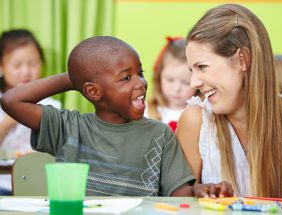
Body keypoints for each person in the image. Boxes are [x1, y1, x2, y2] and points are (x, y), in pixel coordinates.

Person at [1, 36, 206, 196]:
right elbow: (12, 101)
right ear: (93, 91)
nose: (140, 83)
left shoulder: (160, 135)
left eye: (140, 73)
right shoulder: (68, 127)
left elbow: (180, 193)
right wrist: (75, 78)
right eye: (126, 77)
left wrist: (199, 190)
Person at [177, 4, 282, 198]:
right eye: (192, 70)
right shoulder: (196, 121)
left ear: (242, 59)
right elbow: (180, 201)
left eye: (202, 67)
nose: (194, 82)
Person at [0, 29, 61, 195]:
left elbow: (62, 147)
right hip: (3, 184)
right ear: (1, 67)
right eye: (17, 65)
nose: (26, 71)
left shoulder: (51, 105)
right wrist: (8, 121)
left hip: (41, 185)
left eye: (33, 63)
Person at [145, 37, 196, 132]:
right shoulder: (147, 111)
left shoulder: (201, 115)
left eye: (186, 82)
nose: (176, 88)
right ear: (159, 76)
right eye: (170, 80)